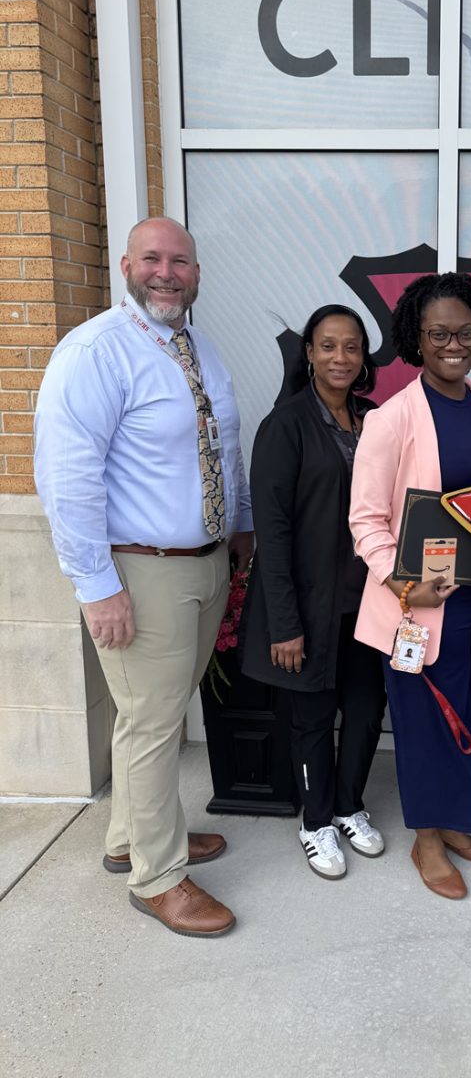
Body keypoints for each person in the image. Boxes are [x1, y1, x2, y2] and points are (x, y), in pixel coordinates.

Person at [33, 216, 253, 938]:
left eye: (180, 261)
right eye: (152, 259)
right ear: (126, 265)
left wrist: (240, 527)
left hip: (202, 564)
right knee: (155, 724)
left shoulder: (194, 348)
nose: (167, 272)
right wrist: (96, 586)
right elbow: (67, 480)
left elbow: (223, 448)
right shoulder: (95, 351)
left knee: (151, 716)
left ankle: (133, 837)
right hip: (139, 570)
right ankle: (158, 878)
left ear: (196, 272)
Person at [349, 273, 471, 900]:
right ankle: (427, 840)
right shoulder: (393, 418)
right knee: (430, 723)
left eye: (464, 332)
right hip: (424, 610)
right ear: (416, 340)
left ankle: (457, 823)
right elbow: (366, 520)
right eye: (438, 334)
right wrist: (406, 583)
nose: (453, 344)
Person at [239, 305, 387, 880]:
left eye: (351, 347)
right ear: (309, 353)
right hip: (308, 606)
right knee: (311, 718)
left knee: (367, 709)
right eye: (328, 346)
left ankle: (350, 806)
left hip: (366, 602)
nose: (340, 358)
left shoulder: (372, 419)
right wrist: (285, 624)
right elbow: (271, 533)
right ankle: (316, 822)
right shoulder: (286, 425)